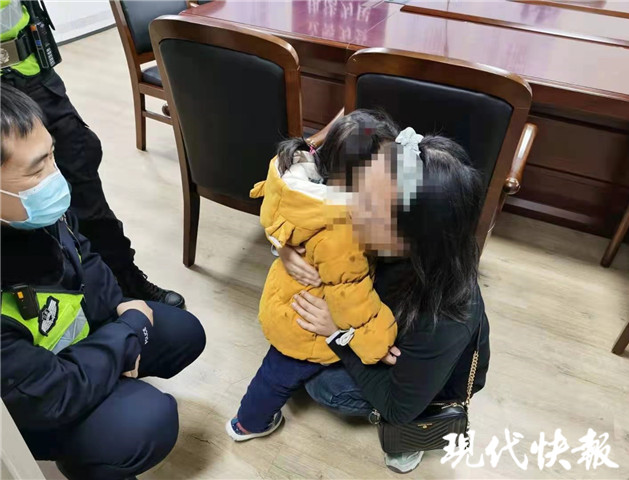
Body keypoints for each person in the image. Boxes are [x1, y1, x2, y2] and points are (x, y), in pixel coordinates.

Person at [0, 85, 206, 480]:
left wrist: (119, 309)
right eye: (37, 169)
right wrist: (127, 334)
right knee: (144, 421)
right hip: (35, 403)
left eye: (52, 155)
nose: (54, 177)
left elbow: (85, 256)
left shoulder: (25, 211)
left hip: (70, 356)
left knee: (182, 331)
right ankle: (87, 450)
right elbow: (51, 394)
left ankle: (108, 392)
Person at [282, 130, 491, 474]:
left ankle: (409, 442)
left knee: (322, 385)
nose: (352, 208)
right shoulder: (399, 191)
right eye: (360, 191)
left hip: (420, 387)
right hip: (384, 334)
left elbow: (398, 407)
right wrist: (287, 247)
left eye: (372, 210)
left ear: (416, 237)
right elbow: (290, 180)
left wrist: (339, 334)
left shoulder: (444, 317)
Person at [226, 111, 400, 441]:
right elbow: (352, 298)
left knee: (278, 364)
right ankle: (248, 424)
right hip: (308, 320)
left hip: (284, 297)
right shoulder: (343, 229)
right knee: (281, 371)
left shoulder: (296, 183)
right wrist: (377, 341)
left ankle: (251, 418)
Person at [0, 0, 185, 308]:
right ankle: (51, 306)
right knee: (15, 210)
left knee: (82, 179)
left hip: (32, 74)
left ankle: (124, 281)